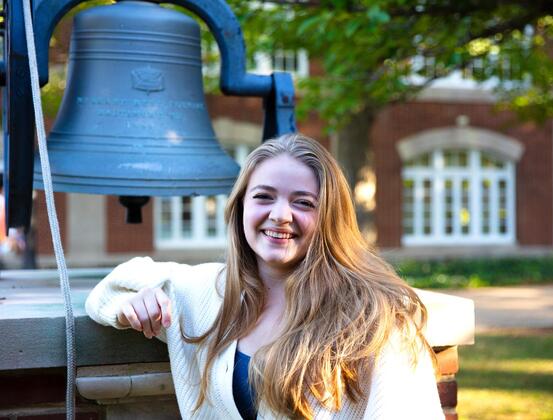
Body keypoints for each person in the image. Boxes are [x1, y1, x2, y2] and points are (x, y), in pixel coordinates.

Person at [85, 133, 444, 419]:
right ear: (240, 206)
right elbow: (115, 284)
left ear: (329, 217)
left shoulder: (375, 320)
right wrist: (131, 305)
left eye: (303, 202)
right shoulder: (211, 292)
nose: (280, 215)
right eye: (264, 197)